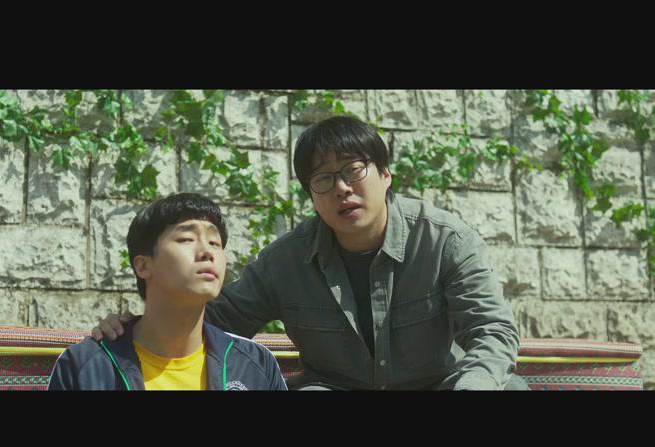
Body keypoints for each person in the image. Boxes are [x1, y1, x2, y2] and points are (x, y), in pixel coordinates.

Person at [93, 116, 528, 390]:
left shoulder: (444, 239)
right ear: (312, 197)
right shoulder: (286, 261)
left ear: (385, 175)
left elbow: (492, 330)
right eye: (323, 179)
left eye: (353, 170)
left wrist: (471, 387)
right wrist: (135, 326)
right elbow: (217, 319)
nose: (341, 188)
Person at [48, 193, 287, 390]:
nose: (207, 252)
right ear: (143, 266)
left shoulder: (255, 364)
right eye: (186, 239)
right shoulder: (85, 365)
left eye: (215, 242)